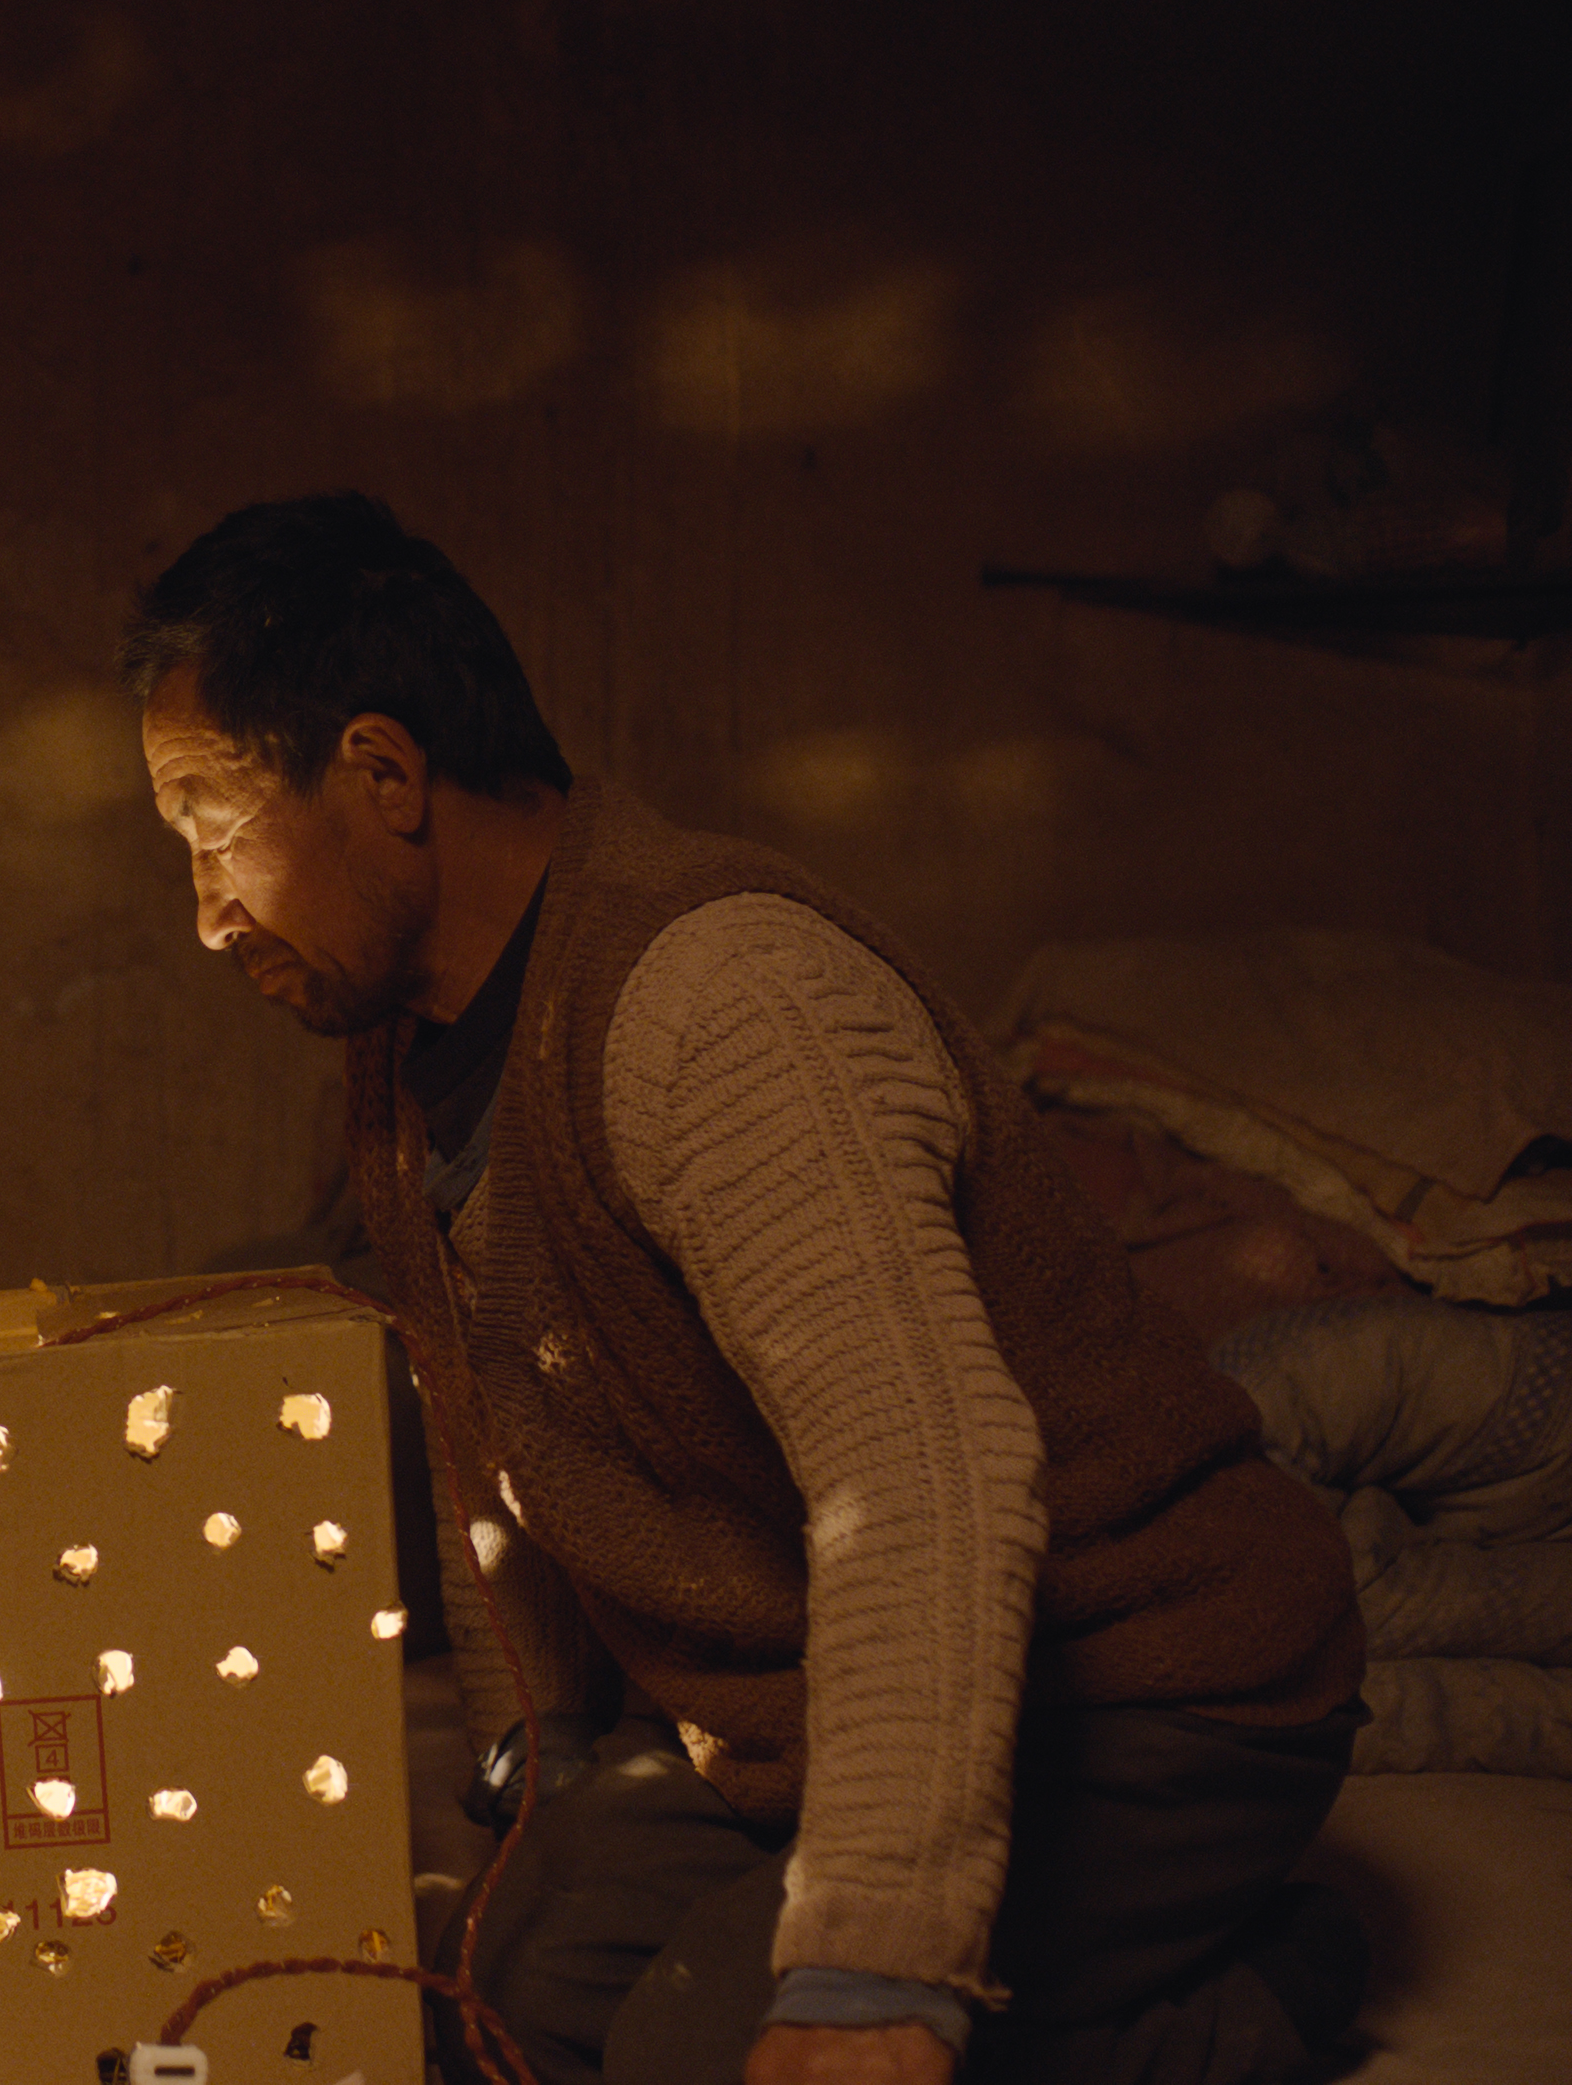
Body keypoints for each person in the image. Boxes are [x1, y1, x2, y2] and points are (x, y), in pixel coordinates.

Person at [121, 496, 1368, 2085]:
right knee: (510, 2002)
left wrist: (872, 1971)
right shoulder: (398, 1061)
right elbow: (498, 1452)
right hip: (801, 1703)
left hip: (1143, 1688)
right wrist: (542, 1763)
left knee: (695, 2054)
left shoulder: (721, 1004)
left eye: (215, 827)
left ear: (382, 772)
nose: (209, 912)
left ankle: (1254, 2002)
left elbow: (922, 1480)